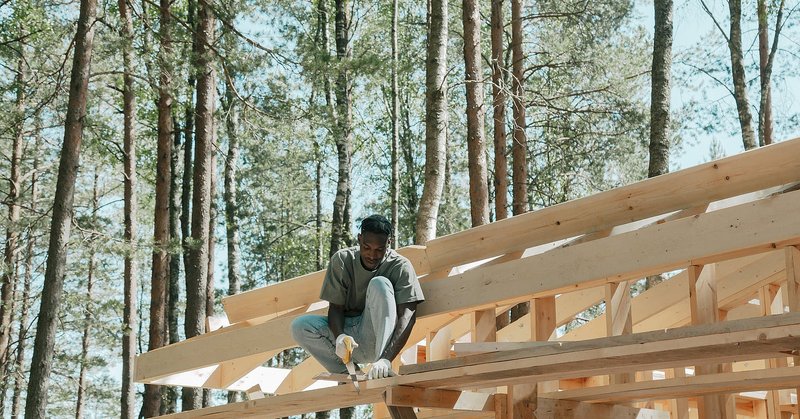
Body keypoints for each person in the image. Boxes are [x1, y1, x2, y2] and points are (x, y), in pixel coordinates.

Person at [291, 214, 425, 380]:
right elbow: (336, 308)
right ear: (360, 239)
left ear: (388, 243)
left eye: (379, 250)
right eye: (367, 247)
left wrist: (385, 359)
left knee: (380, 284)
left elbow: (408, 317)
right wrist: (340, 336)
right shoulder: (342, 260)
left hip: (378, 339)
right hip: (349, 341)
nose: (372, 255)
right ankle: (351, 374)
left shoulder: (400, 266)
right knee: (300, 325)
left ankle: (380, 371)